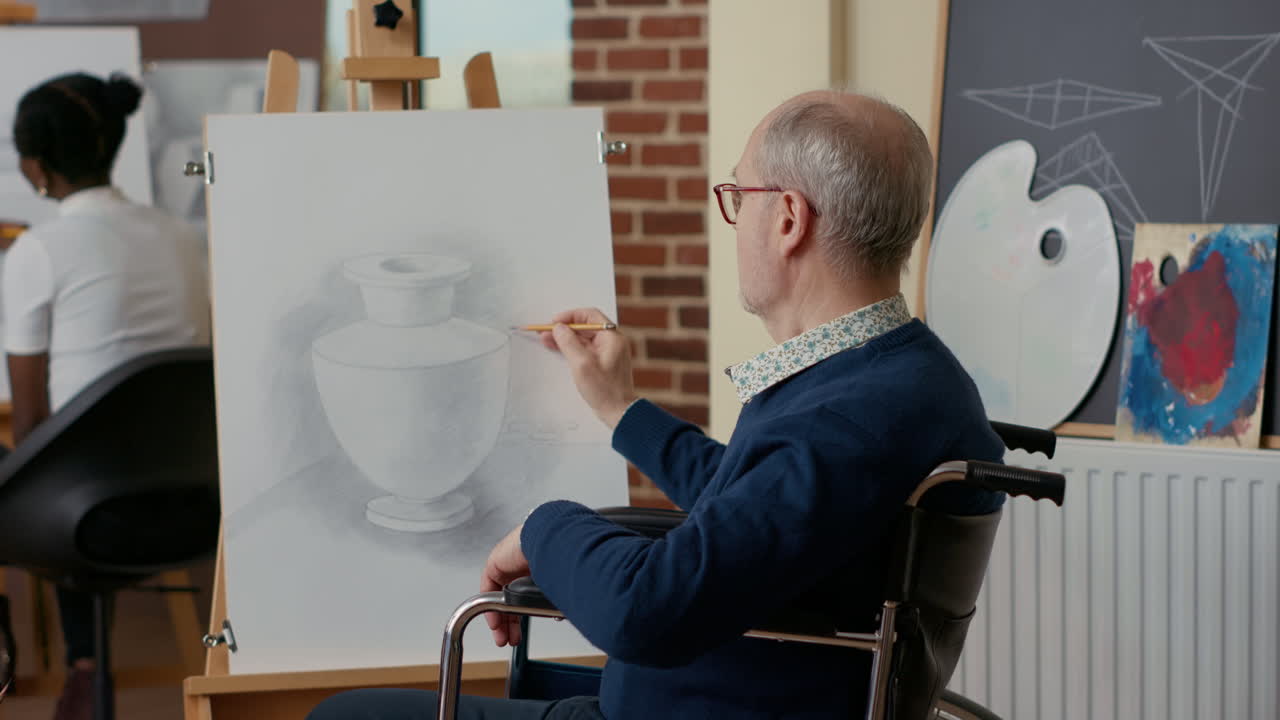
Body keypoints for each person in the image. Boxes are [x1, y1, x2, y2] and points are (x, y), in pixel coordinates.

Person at [308, 90, 1004, 719]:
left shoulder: (850, 422)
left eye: (739, 195)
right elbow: (754, 505)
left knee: (342, 717)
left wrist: (544, 530)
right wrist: (621, 408)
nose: (733, 220)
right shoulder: (898, 381)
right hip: (733, 699)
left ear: (789, 218)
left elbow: (646, 611)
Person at [4, 72, 210, 720]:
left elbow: (33, 425)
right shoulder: (184, 238)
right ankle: (84, 664)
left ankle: (64, 662)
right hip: (198, 508)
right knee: (90, 460)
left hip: (83, 520)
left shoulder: (40, 250)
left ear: (34, 166)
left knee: (51, 464)